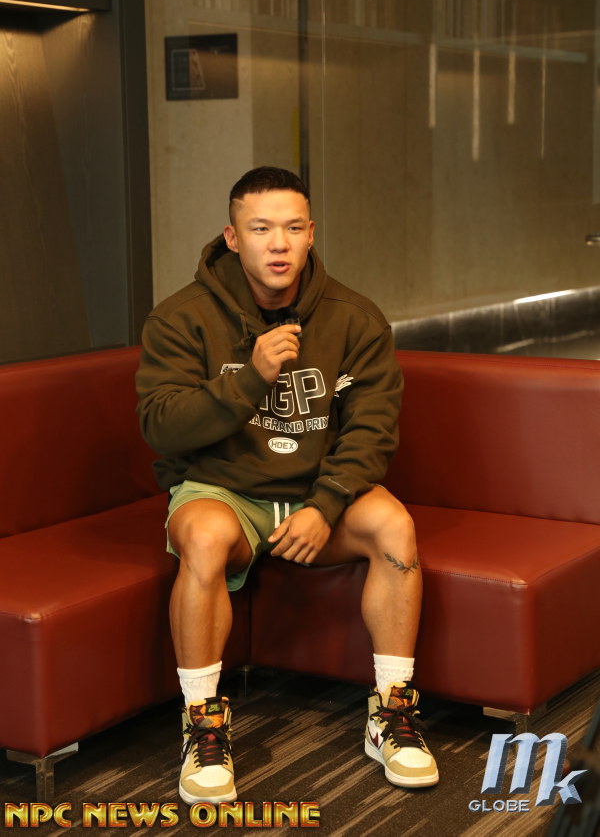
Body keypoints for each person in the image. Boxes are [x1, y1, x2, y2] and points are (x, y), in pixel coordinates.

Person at [135, 166, 439, 805]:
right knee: (204, 538)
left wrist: (325, 504)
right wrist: (249, 378)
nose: (279, 244)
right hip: (223, 492)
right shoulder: (180, 318)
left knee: (395, 528)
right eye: (261, 229)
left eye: (293, 228)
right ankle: (203, 726)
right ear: (232, 237)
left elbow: (372, 431)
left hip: (315, 494)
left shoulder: (355, 318)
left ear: (311, 234)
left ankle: (391, 715)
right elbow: (160, 426)